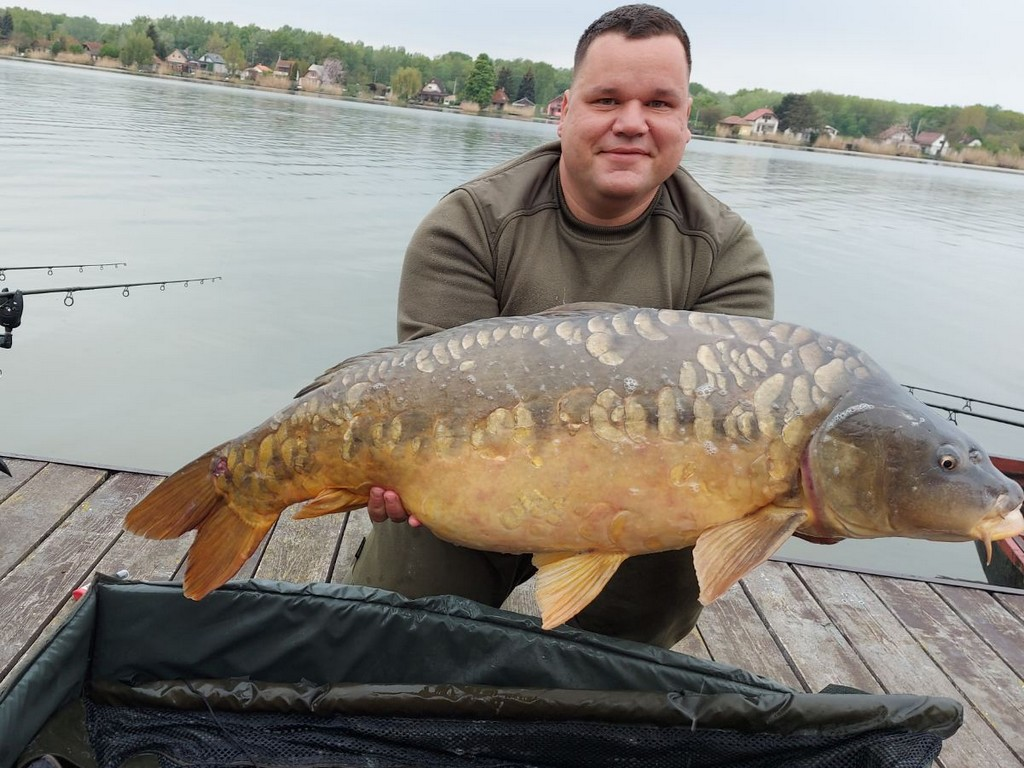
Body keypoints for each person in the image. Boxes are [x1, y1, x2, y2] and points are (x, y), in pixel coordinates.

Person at [345, 3, 773, 648]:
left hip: (638, 505)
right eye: (607, 100)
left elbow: (735, 431)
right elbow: (428, 400)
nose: (632, 123)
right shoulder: (469, 223)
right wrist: (397, 470)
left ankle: (592, 670)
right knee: (398, 629)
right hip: (474, 486)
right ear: (564, 110)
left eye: (659, 103)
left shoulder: (726, 254)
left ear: (686, 122)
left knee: (675, 565)